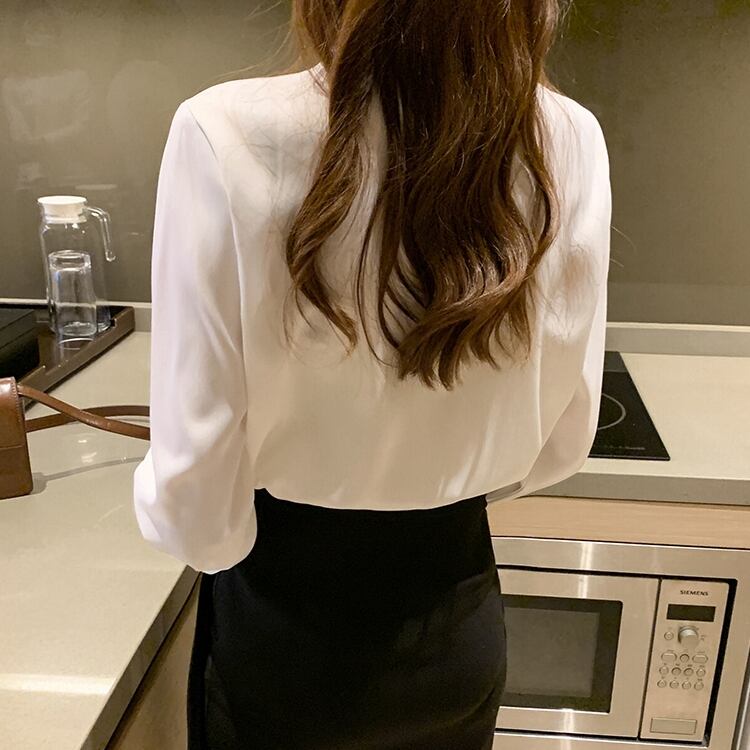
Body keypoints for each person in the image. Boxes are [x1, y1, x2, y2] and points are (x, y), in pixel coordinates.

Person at [131, 0, 611, 748]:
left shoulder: (222, 131)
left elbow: (198, 505)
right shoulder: (570, 135)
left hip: (288, 630)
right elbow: (561, 442)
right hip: (457, 619)